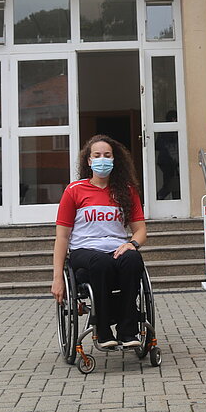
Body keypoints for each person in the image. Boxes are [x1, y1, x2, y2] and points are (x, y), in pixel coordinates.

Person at [52, 134, 147, 349]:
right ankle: (102, 331)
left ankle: (128, 331)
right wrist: (58, 278)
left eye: (107, 155)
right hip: (84, 251)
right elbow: (62, 237)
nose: (102, 159)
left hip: (117, 249)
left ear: (114, 160)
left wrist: (132, 244)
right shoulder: (74, 191)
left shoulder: (127, 191)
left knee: (133, 260)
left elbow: (140, 231)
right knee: (100, 263)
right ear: (89, 160)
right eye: (97, 155)